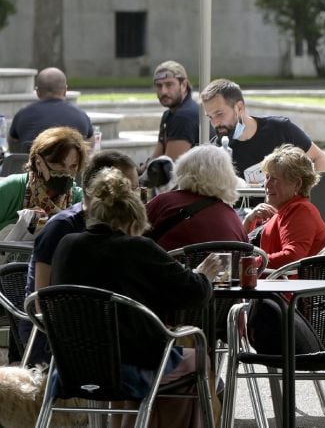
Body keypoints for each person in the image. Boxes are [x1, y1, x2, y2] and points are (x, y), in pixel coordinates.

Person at [50, 167, 225, 428]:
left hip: (71, 368)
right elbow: (194, 292)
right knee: (197, 357)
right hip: (129, 367)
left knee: (144, 351)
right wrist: (204, 275)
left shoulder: (66, 245)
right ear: (133, 220)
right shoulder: (137, 248)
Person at [15, 150, 138, 367]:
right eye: (129, 190)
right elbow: (41, 302)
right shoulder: (63, 227)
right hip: (51, 337)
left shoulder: (118, 226)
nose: (136, 198)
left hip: (97, 330)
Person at [200, 78, 325, 177]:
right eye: (210, 117)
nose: (215, 123)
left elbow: (320, 158)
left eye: (219, 114)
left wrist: (309, 197)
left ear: (239, 107)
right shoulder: (217, 151)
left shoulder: (279, 129)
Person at [242, 145, 325, 270]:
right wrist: (249, 220)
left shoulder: (301, 211)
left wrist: (249, 265)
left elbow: (292, 256)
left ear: (297, 184)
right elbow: (244, 246)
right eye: (267, 177)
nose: (267, 184)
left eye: (275, 179)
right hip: (270, 282)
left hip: (283, 287)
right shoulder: (283, 210)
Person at [146, 145, 247, 251]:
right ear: (228, 176)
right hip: (225, 267)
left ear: (183, 169)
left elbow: (130, 230)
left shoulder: (165, 202)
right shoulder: (233, 219)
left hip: (169, 266)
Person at [0, 126, 87, 231]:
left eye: (73, 166)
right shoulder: (10, 190)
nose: (66, 172)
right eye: (58, 164)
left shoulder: (78, 199)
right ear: (38, 162)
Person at [7, 68, 93, 153]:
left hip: (32, 166)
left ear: (37, 92)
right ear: (65, 90)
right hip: (70, 166)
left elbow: (13, 147)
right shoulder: (81, 116)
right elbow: (89, 148)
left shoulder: (22, 115)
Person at [147, 61, 200, 164]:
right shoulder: (169, 115)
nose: (163, 91)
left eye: (169, 84)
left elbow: (168, 168)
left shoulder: (184, 116)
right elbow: (155, 159)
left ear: (184, 85)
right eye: (159, 86)